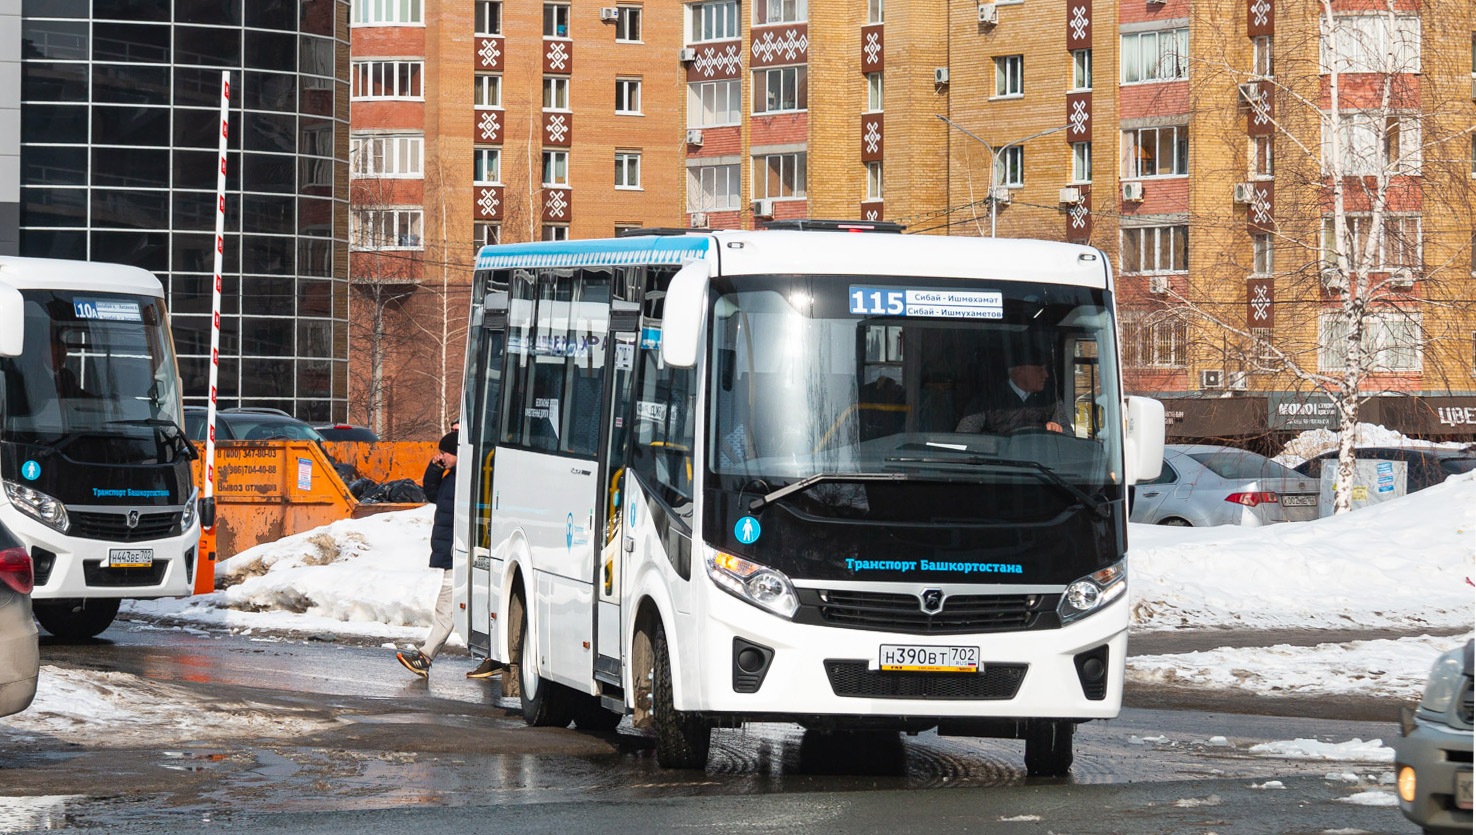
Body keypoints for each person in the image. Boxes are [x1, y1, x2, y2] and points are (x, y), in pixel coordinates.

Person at [397, 431, 499, 678]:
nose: (439, 456)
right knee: (464, 604)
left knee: (448, 605)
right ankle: (493, 657)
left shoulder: (470, 478)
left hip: (462, 551)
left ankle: (427, 656)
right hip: (455, 551)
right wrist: (434, 468)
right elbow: (431, 494)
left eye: (444, 452)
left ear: (457, 453)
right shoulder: (453, 477)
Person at [955, 346, 1072, 435]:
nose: (1046, 375)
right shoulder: (987, 399)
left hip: (1041, 463)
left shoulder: (1050, 398)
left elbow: (1068, 435)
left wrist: (1057, 430)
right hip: (1000, 464)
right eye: (1039, 370)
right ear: (1019, 371)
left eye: (1045, 369)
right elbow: (964, 436)